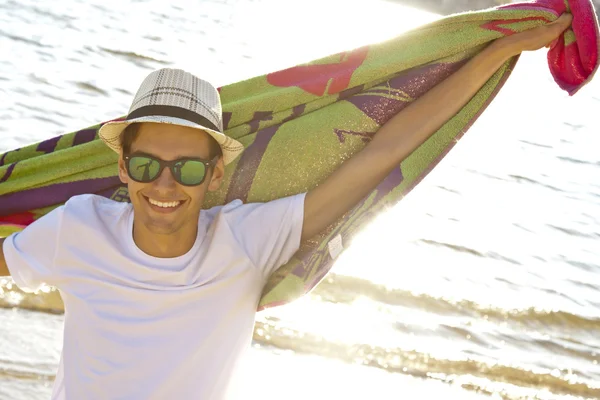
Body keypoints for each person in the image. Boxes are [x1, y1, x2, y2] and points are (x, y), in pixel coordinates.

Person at [0, 14, 572, 400]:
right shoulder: (77, 226)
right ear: (123, 168)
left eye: (189, 168)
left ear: (216, 173)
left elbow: (384, 151)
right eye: (147, 165)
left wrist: (498, 50)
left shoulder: (249, 238)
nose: (165, 185)